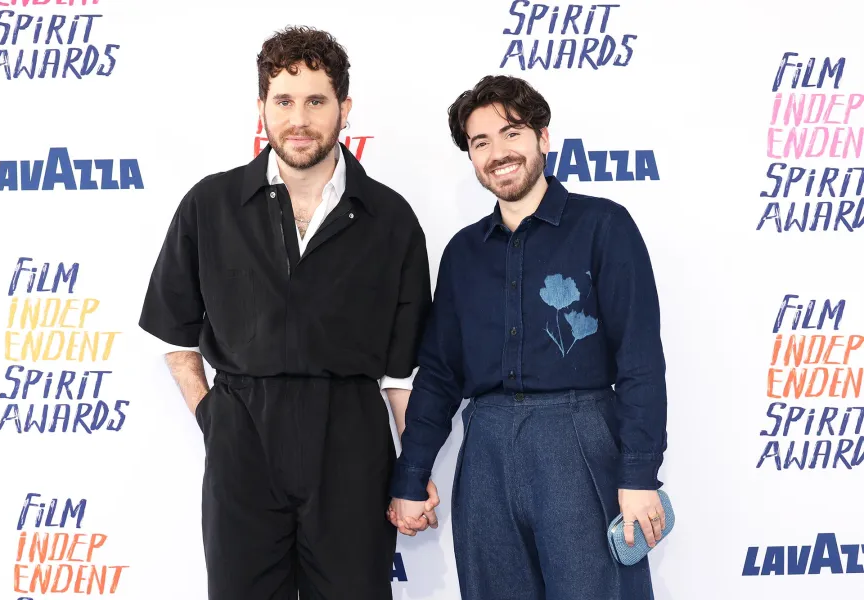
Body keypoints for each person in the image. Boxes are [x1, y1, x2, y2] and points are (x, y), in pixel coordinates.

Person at [138, 25, 437, 600]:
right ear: (261, 109)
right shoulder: (211, 204)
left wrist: (413, 469)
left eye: (316, 101)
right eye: (284, 100)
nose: (299, 118)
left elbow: (403, 375)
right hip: (243, 435)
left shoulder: (390, 218)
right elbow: (174, 336)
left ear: (344, 110)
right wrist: (214, 421)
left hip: (351, 440)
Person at [387, 74, 669, 600]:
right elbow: (441, 375)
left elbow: (640, 361)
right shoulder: (462, 253)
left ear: (543, 137)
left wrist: (639, 474)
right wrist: (411, 475)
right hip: (486, 449)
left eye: (511, 132)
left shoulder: (604, 226)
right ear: (471, 158)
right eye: (481, 142)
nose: (498, 152)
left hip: (579, 438)